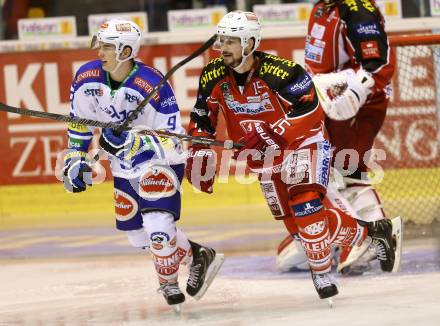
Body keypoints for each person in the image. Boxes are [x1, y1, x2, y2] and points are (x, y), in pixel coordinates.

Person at [185, 10, 401, 301]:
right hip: (264, 157)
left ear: (250, 43)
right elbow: (202, 115)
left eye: (231, 41)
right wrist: (199, 150)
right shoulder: (212, 74)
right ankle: (370, 234)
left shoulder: (282, 72)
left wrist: (275, 133)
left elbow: (311, 109)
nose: (224, 47)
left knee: (307, 209)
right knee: (295, 223)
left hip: (302, 144)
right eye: (222, 40)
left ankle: (322, 276)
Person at [61, 19, 224, 311]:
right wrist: (75, 157)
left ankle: (169, 283)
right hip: (123, 167)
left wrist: (132, 142)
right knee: (137, 235)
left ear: (126, 50)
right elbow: (79, 124)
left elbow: (173, 140)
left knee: (157, 225)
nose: (101, 52)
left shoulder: (153, 84)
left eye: (108, 46)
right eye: (101, 45)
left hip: (160, 163)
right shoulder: (86, 77)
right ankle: (197, 254)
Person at [277, 0, 397, 275]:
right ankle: (359, 236)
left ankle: (367, 238)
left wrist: (355, 94)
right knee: (336, 170)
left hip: (354, 105)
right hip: (328, 99)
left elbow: (377, 65)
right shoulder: (323, 7)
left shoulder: (357, 9)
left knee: (342, 170)